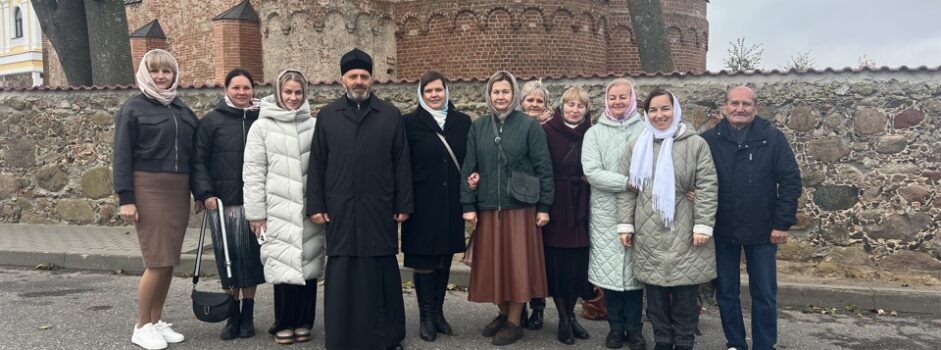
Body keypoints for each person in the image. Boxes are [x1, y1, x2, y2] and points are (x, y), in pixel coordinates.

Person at [306, 48, 412, 350]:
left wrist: (403, 203)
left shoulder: (389, 115)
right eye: (353, 76)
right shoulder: (328, 116)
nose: (358, 81)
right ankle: (343, 337)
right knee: (343, 274)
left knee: (381, 272)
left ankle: (388, 337)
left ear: (372, 79)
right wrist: (316, 205)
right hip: (339, 208)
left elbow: (401, 162)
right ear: (343, 79)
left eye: (364, 76)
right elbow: (317, 164)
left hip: (379, 207)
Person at [616, 89, 718, 350]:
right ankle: (662, 340)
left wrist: (703, 225)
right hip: (648, 227)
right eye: (653, 110)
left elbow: (707, 186)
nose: (659, 115)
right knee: (655, 294)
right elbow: (629, 189)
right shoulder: (637, 146)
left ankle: (683, 342)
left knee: (685, 293)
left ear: (676, 110)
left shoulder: (695, 144)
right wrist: (625, 225)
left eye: (665, 108)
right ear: (646, 114)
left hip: (684, 226)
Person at [701, 86, 801, 350]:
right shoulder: (709, 140)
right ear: (725, 106)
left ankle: (764, 345)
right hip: (722, 227)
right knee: (726, 292)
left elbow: (790, 181)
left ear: (755, 107)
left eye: (746, 104)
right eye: (734, 103)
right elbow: (695, 175)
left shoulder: (772, 138)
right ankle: (735, 342)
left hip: (763, 229)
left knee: (764, 293)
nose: (740, 109)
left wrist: (782, 223)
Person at [461, 70, 554, 346]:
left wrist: (544, 206)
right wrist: (468, 203)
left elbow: (544, 168)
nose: (500, 96)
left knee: (517, 267)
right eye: (495, 92)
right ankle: (503, 314)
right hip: (489, 207)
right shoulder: (478, 127)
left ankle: (515, 322)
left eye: (505, 91)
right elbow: (469, 166)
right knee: (494, 266)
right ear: (489, 95)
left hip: (520, 208)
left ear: (514, 95)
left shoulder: (529, 126)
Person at [113, 49, 197, 350]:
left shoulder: (183, 110)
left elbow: (195, 156)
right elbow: (121, 155)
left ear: (175, 74)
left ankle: (156, 320)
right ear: (145, 74)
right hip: (149, 188)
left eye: (167, 71)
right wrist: (126, 198)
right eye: (155, 71)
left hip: (179, 191)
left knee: (169, 260)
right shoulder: (133, 108)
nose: (161, 76)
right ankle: (142, 326)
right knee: (157, 260)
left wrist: (200, 192)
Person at [243, 69, 325, 345]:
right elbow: (253, 172)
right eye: (288, 92)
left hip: (309, 209)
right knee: (282, 266)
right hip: (277, 209)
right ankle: (285, 322)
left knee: (308, 265)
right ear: (278, 92)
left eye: (298, 92)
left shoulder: (314, 125)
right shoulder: (261, 127)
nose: (293, 97)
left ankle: (304, 322)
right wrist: (256, 213)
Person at [191, 68, 265, 340]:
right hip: (223, 205)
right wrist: (204, 193)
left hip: (255, 203)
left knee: (251, 260)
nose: (242, 92)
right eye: (236, 87)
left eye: (246, 87)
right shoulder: (211, 121)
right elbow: (198, 160)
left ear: (253, 90)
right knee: (228, 259)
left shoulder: (261, 119)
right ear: (226, 90)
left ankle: (248, 316)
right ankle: (232, 315)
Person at [402, 71, 472, 342]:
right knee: (424, 260)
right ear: (421, 94)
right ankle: (426, 316)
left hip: (451, 201)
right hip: (422, 203)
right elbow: (402, 164)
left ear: (446, 91)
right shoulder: (409, 123)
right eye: (428, 91)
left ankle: (439, 312)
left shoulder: (461, 121)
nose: (434, 95)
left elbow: (470, 159)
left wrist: (474, 178)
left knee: (444, 258)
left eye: (438, 90)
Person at [582, 78, 648, 350]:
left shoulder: (646, 129)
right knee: (610, 274)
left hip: (639, 210)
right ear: (606, 101)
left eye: (623, 96)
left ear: (633, 99)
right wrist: (627, 182)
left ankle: (635, 329)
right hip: (605, 211)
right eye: (613, 97)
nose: (618, 101)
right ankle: (616, 327)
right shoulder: (594, 134)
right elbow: (592, 172)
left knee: (635, 275)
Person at [540, 86, 594, 345]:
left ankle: (571, 315)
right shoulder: (547, 130)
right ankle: (563, 318)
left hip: (582, 202)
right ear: (562, 106)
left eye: (580, 105)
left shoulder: (592, 133)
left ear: (586, 109)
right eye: (570, 104)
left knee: (576, 264)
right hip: (556, 202)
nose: (575, 109)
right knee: (557, 263)